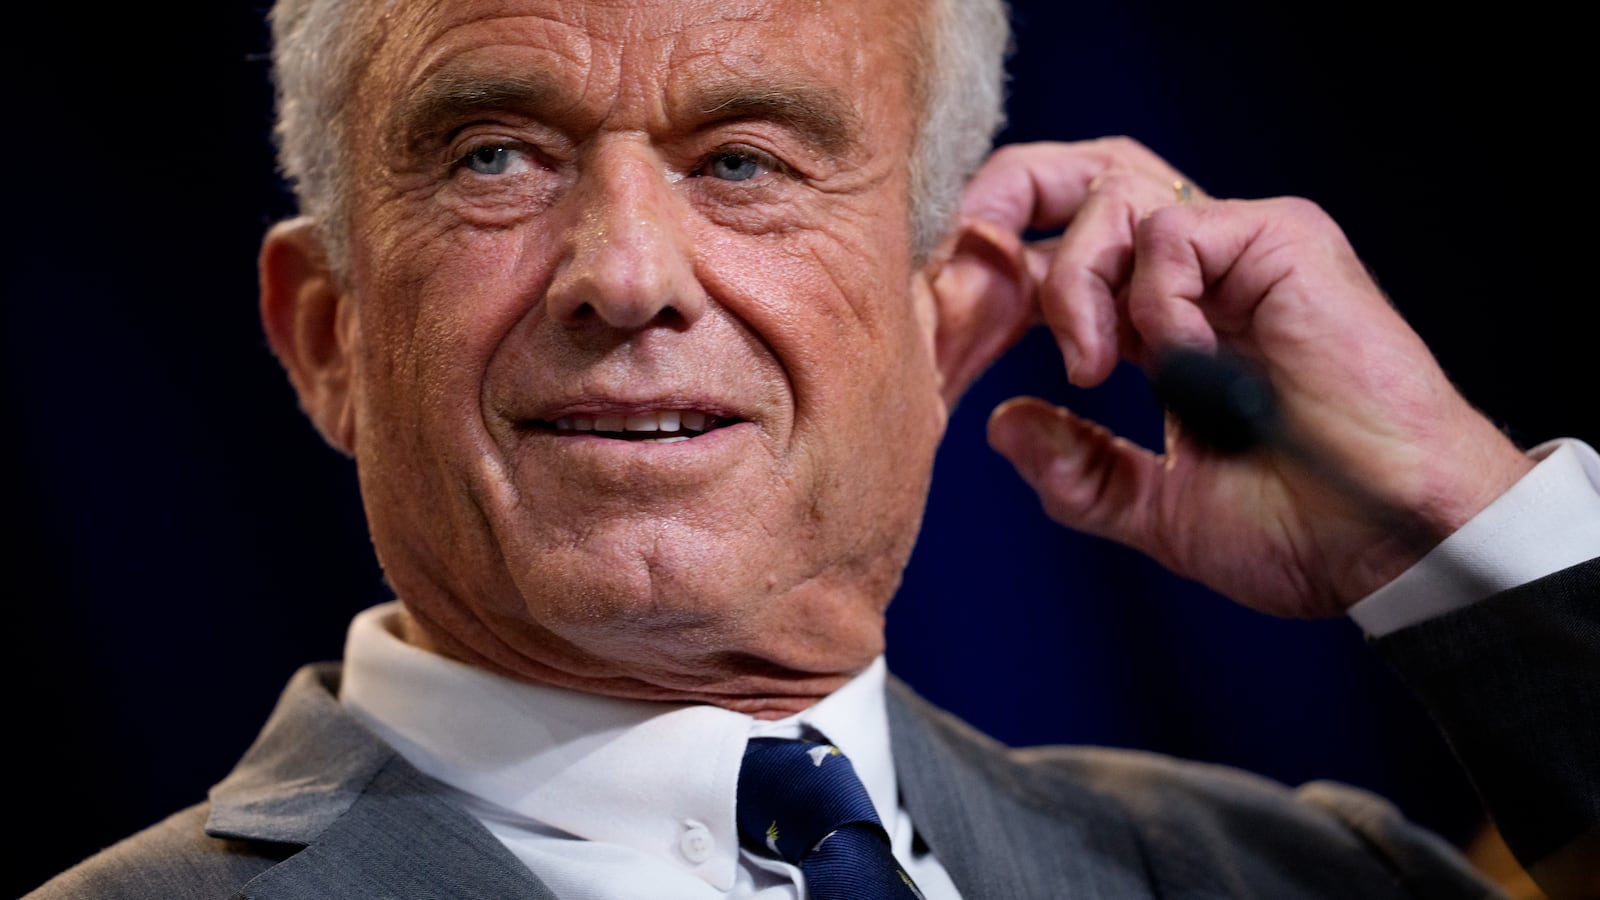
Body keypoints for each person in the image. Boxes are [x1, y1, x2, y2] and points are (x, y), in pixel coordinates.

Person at [25, 0, 1598, 897]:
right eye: (495, 155)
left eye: (746, 160)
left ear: (945, 326)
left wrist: (1453, 527)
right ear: (327, 339)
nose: (626, 274)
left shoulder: (1283, 877)